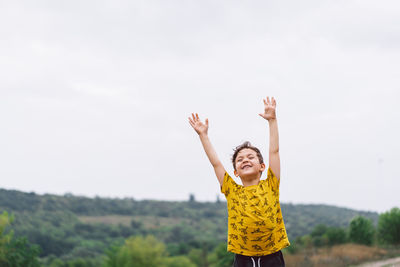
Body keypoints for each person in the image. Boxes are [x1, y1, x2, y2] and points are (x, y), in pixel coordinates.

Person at [188, 97, 290, 267]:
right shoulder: (231, 189)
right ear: (235, 171)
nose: (245, 160)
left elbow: (274, 151)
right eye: (240, 159)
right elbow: (216, 163)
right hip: (243, 258)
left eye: (251, 157)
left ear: (262, 166)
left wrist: (272, 120)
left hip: (272, 257)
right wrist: (203, 136)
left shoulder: (271, 184)